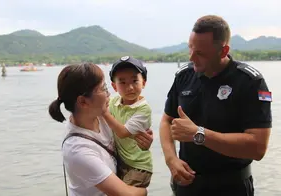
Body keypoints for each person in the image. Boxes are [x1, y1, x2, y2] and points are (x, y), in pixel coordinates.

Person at [159, 15, 272, 196]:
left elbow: (258, 147)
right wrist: (171, 159)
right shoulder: (184, 76)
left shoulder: (249, 82)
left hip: (231, 187)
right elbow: (167, 120)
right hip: (188, 186)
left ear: (223, 50)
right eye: (190, 49)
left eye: (200, 53)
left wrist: (199, 134)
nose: (192, 57)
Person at [49, 63, 151, 196]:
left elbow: (126, 137)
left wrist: (140, 143)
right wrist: (144, 190)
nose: (109, 93)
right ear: (83, 102)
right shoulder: (78, 150)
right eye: (103, 88)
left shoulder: (103, 115)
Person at [102, 56, 153, 188]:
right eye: (122, 82)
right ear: (114, 86)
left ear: (144, 83)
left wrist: (104, 113)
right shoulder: (113, 102)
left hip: (139, 165)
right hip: (121, 162)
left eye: (135, 81)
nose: (130, 87)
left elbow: (123, 132)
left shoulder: (143, 109)